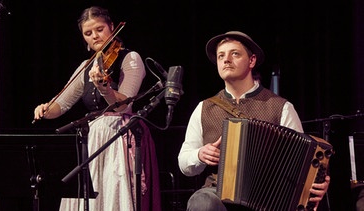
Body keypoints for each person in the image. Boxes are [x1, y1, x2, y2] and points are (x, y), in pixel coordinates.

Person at [178, 31, 331, 211]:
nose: (226, 59)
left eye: (234, 53)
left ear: (251, 61)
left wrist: (316, 182)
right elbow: (184, 162)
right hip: (217, 196)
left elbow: (303, 160)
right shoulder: (204, 108)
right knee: (202, 202)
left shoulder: (281, 107)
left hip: (271, 199)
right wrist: (200, 154)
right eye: (221, 56)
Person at [33, 6, 161, 211]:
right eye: (88, 33)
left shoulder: (130, 58)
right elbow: (62, 105)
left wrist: (104, 88)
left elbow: (124, 104)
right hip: (92, 137)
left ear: (111, 27)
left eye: (99, 29)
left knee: (113, 197)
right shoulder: (87, 66)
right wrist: (46, 110)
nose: (95, 36)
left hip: (119, 134)